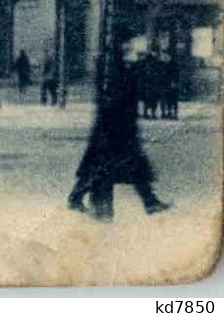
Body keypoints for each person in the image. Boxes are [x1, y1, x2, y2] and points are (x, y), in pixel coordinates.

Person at [68, 30, 171, 220]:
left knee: (122, 164)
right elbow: (115, 94)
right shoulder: (110, 64)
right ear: (118, 43)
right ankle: (145, 202)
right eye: (127, 43)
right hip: (113, 125)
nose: (129, 46)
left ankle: (148, 201)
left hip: (120, 124)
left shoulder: (120, 63)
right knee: (113, 164)